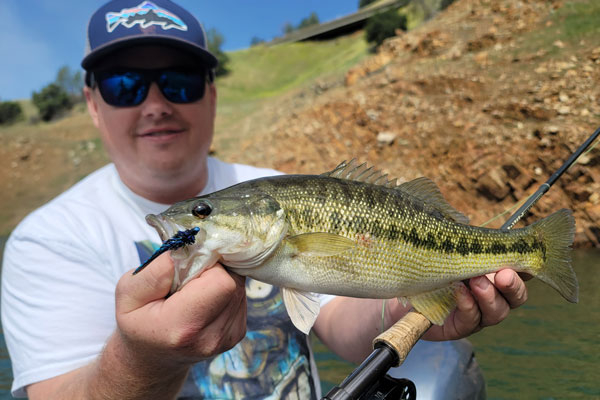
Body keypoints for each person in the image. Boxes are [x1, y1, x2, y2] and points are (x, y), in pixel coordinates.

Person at [1, 0, 529, 399]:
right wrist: (144, 360)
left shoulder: (275, 185)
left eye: (180, 82)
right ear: (92, 103)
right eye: (124, 85)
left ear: (211, 91)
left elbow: (342, 313)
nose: (155, 103)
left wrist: (415, 303)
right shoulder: (47, 240)